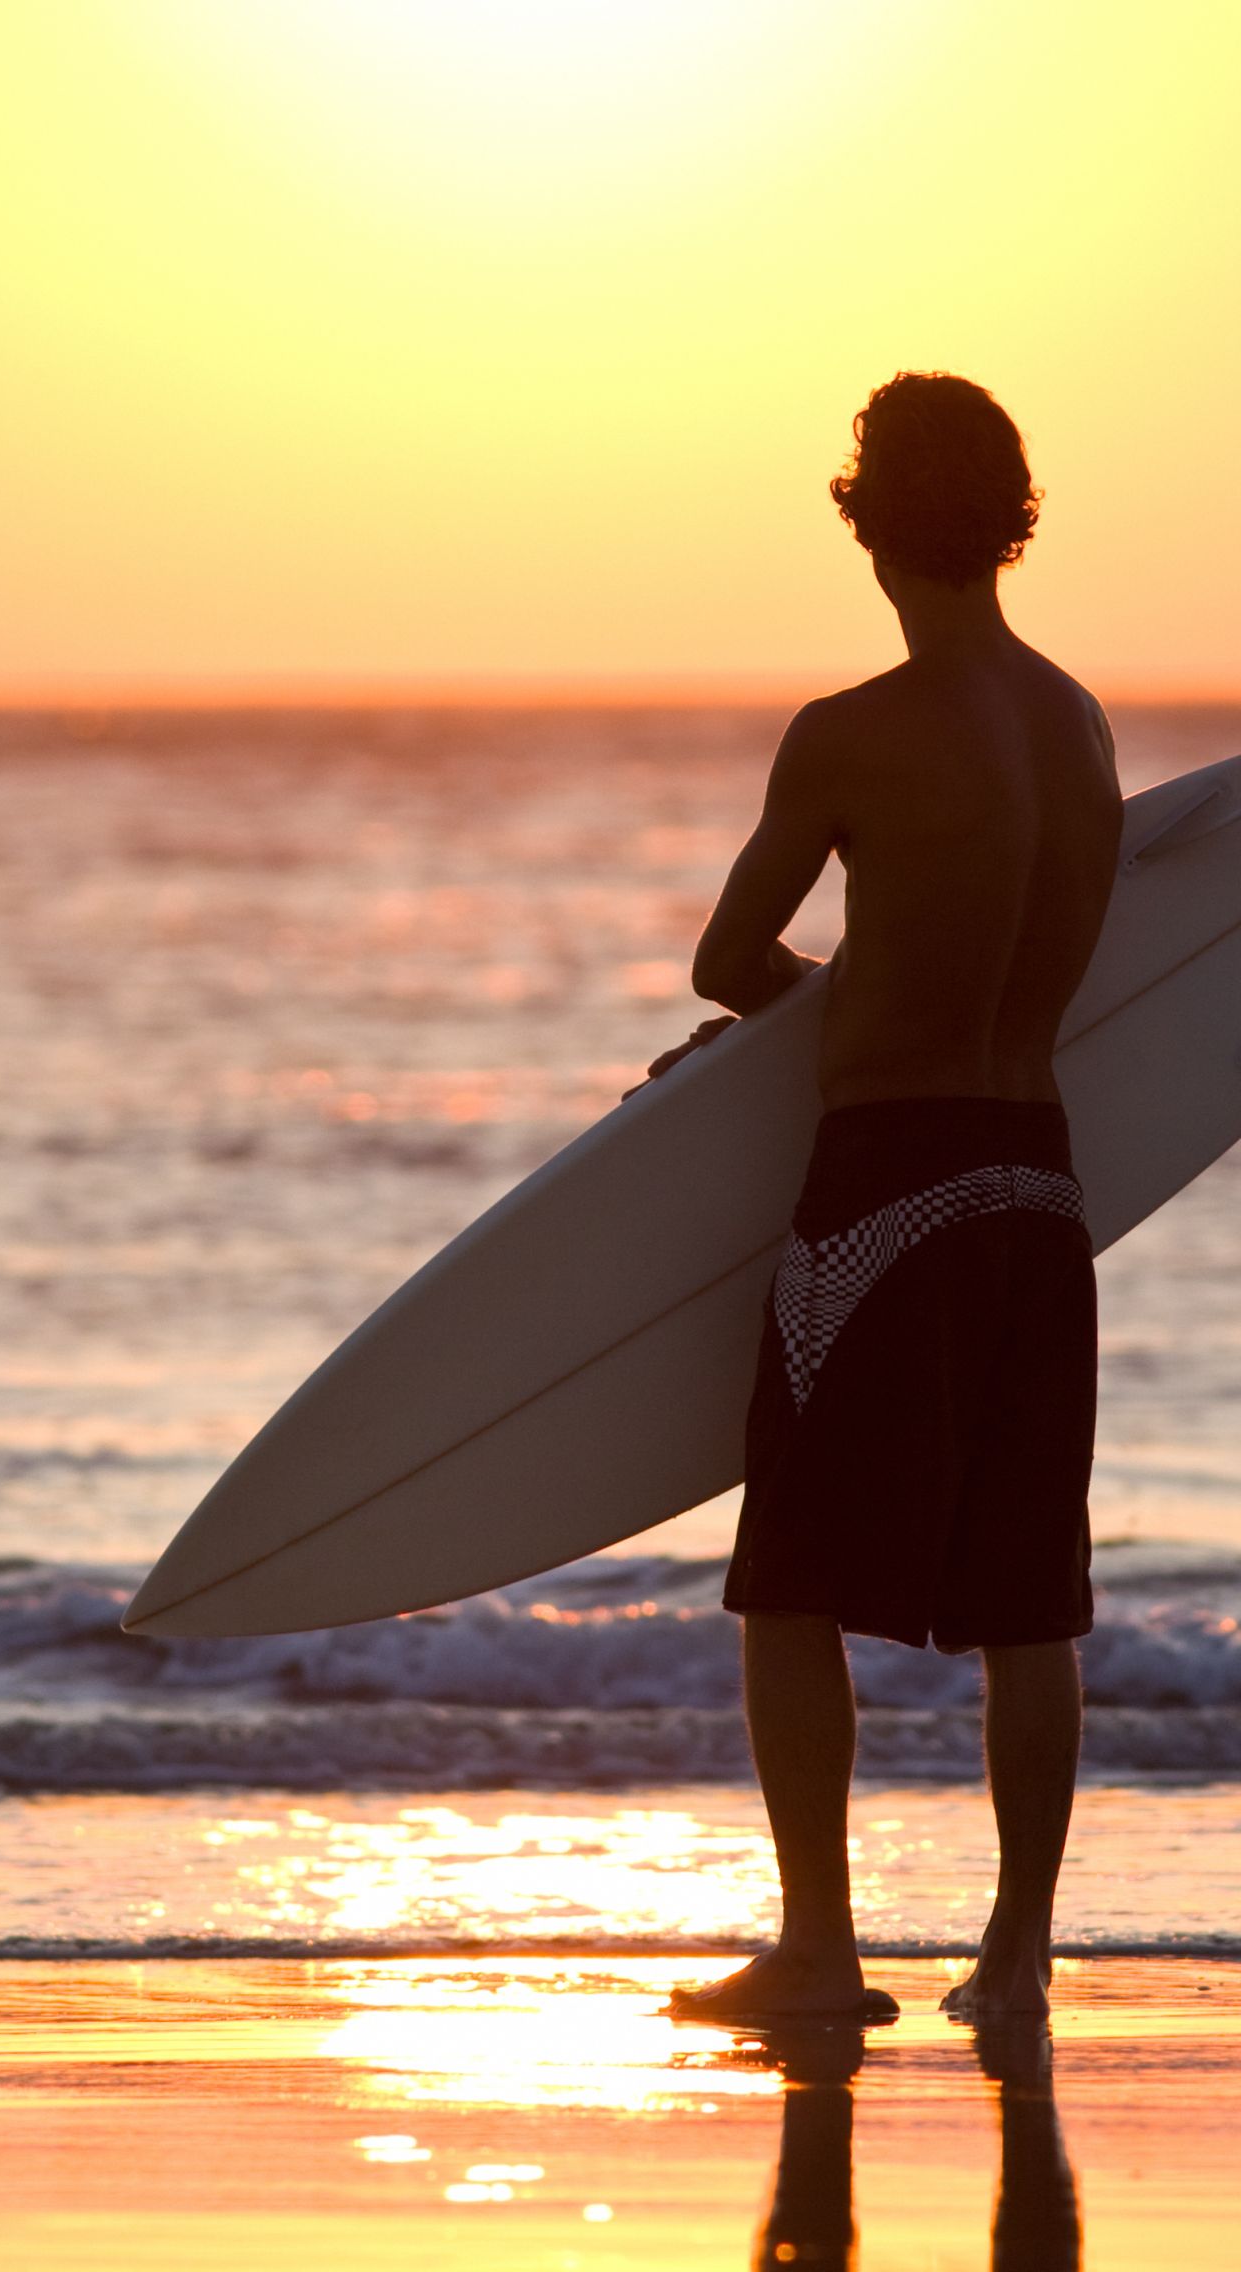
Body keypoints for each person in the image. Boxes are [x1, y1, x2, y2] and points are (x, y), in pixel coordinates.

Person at [653, 372, 1123, 2024]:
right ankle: (1014, 1958)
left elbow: (729, 960)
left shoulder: (851, 733)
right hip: (1037, 1188)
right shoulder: (1079, 723)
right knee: (1026, 1594)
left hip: (891, 1190)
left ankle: (822, 1946)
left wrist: (775, 1025)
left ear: (865, 520)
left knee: (787, 1575)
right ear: (1010, 516)